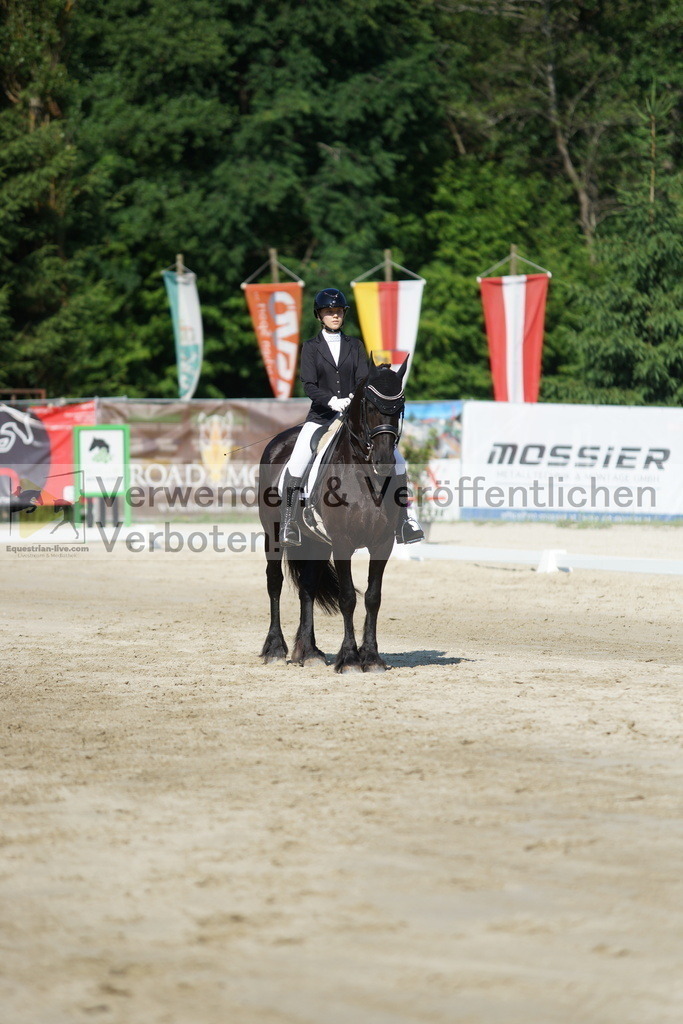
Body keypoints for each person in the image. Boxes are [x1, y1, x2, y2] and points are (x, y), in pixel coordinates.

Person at [281, 288, 424, 547]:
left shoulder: (355, 345)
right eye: (329, 312)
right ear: (320, 315)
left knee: (398, 461)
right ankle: (290, 522)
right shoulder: (311, 348)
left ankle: (405, 520)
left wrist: (354, 398)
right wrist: (331, 400)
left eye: (338, 312)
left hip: (352, 418)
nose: (334, 316)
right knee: (298, 458)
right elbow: (309, 384)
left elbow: (362, 380)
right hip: (321, 417)